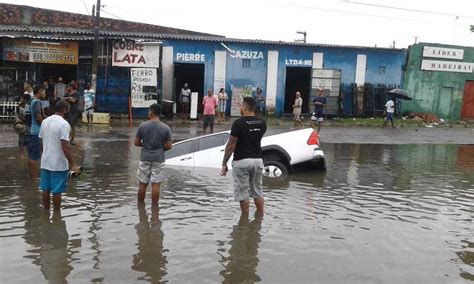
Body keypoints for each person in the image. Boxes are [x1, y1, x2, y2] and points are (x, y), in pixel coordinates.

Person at [220, 97, 267, 215]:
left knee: (243, 193)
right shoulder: (262, 123)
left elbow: (231, 145)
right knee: (258, 191)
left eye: (241, 105)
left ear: (245, 107)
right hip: (258, 161)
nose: (240, 107)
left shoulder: (238, 123)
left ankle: (244, 222)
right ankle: (259, 219)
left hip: (242, 161)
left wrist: (224, 163)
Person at [39, 100, 81, 211]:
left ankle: (46, 213)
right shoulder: (64, 124)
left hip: (45, 161)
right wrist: (73, 164)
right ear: (64, 110)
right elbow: (65, 147)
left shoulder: (45, 122)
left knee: (45, 189)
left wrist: (45, 155)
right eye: (68, 110)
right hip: (58, 164)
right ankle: (57, 215)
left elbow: (41, 142)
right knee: (57, 191)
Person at [134, 103, 172, 205]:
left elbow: (136, 143)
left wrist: (146, 145)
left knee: (142, 183)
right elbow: (169, 146)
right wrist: (160, 149)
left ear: (151, 112)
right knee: (156, 185)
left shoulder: (142, 126)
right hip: (159, 158)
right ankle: (155, 210)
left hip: (145, 157)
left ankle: (140, 207)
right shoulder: (166, 128)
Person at [25, 85, 47, 179]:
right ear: (39, 92)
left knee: (31, 155)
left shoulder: (29, 101)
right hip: (35, 132)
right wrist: (46, 125)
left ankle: (32, 175)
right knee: (35, 156)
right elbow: (38, 117)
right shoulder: (37, 102)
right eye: (44, 92)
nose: (45, 94)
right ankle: (34, 178)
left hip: (28, 130)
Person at [14, 93, 30, 158]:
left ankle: (26, 153)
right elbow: (16, 115)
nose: (20, 99)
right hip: (21, 125)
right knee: (21, 140)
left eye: (22, 98)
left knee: (28, 140)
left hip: (27, 124)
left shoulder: (28, 106)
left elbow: (28, 116)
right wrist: (17, 119)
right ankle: (21, 154)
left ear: (25, 99)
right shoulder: (19, 106)